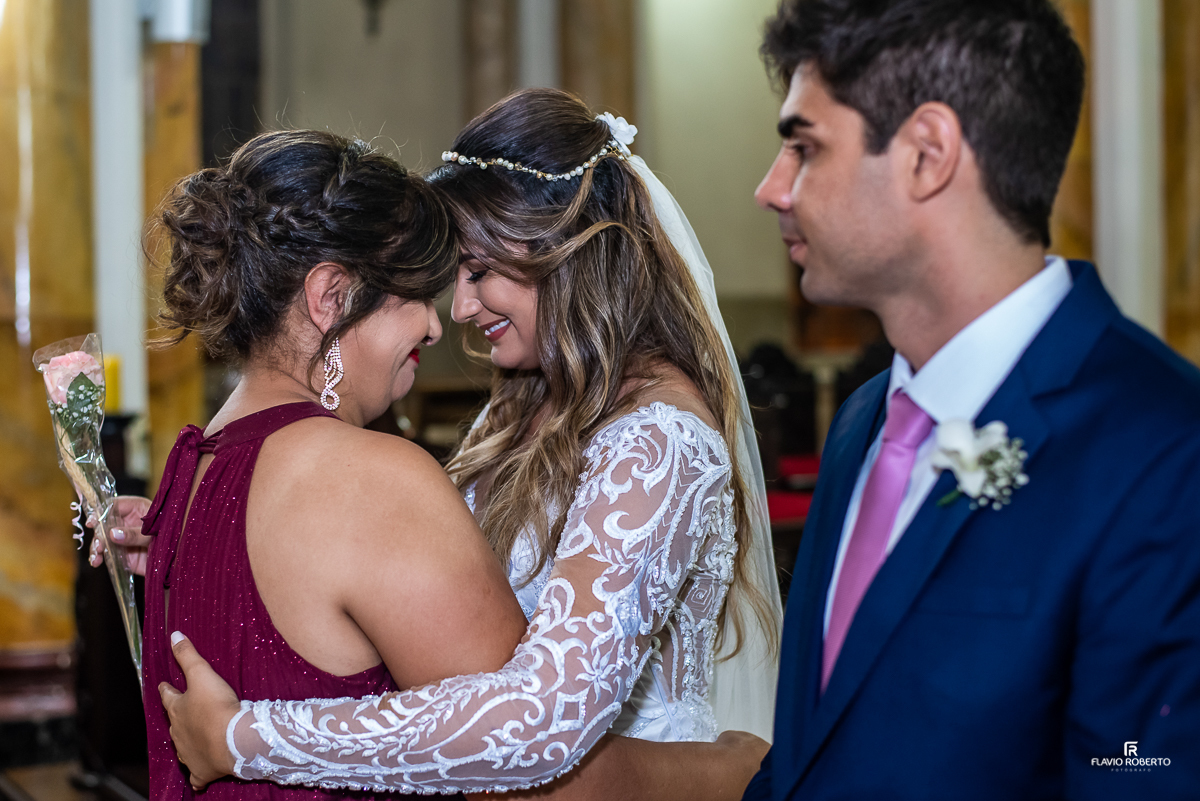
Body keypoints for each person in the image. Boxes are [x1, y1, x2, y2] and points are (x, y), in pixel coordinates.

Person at [102, 92, 781, 796]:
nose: (451, 313)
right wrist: (215, 545)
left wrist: (248, 737)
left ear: (567, 250)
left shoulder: (657, 438)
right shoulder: (510, 414)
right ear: (330, 297)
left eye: (477, 271)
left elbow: (539, 721)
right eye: (444, 279)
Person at [744, 1, 1200, 799]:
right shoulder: (861, 425)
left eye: (804, 147)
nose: (770, 189)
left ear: (928, 154)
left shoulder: (1164, 451)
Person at [135, 128, 530, 801]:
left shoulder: (189, 469)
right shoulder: (374, 481)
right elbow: (524, 758)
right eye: (415, 293)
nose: (435, 326)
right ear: (331, 296)